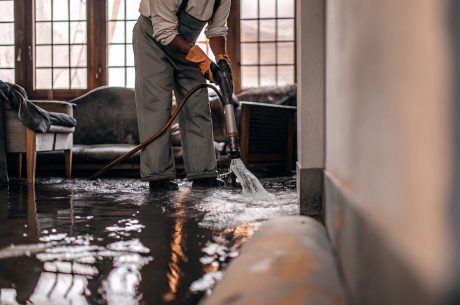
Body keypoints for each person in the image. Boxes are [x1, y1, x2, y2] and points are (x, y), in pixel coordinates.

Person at [134, 0, 232, 190]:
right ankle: (159, 176)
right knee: (156, 106)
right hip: (152, 39)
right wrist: (199, 56)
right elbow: (165, 32)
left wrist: (221, 58)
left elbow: (217, 30)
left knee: (197, 103)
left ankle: (203, 173)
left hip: (186, 44)